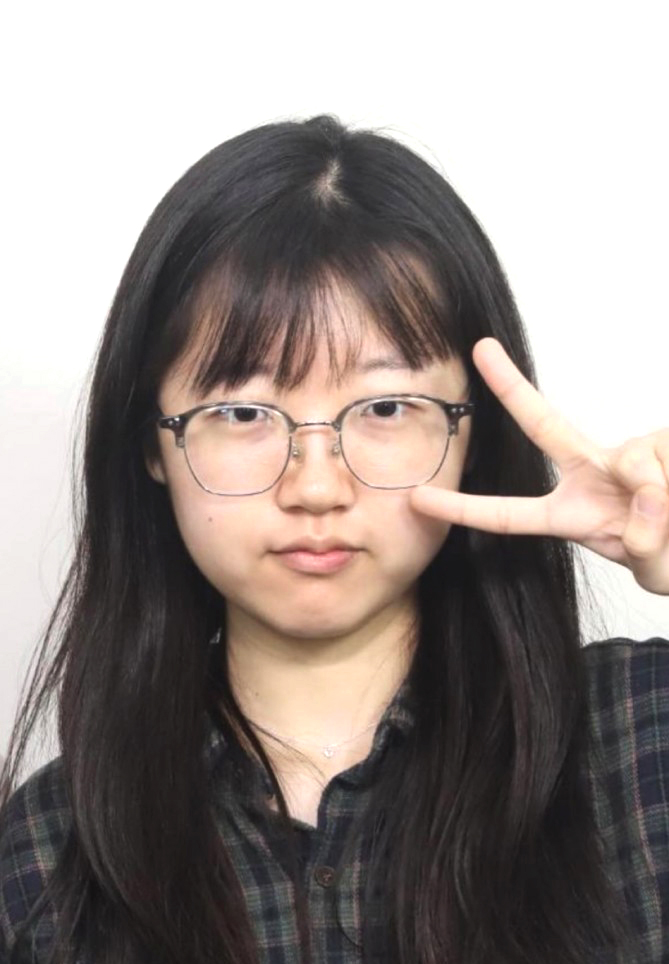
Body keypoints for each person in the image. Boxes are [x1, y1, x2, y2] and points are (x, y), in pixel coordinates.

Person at [0, 113, 667, 964]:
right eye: (242, 412)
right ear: (152, 446)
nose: (315, 487)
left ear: (472, 433)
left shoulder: (641, 738)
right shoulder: (44, 857)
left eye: (385, 406)